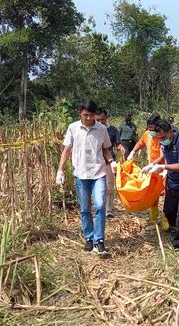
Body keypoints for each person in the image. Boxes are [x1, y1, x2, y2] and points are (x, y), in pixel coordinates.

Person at [56, 100, 116, 254]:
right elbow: (67, 150)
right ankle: (89, 238)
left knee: (100, 206)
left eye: (91, 115)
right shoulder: (73, 128)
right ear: (80, 113)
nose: (89, 118)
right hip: (81, 174)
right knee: (84, 208)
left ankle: (99, 240)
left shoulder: (101, 129)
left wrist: (111, 161)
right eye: (85, 115)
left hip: (98, 173)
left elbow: (106, 149)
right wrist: (60, 170)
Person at [150, 120, 179, 251]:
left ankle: (178, 244)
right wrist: (153, 164)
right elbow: (164, 156)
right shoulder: (164, 142)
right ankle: (174, 230)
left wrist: (163, 167)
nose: (161, 140)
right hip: (172, 183)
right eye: (158, 138)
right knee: (169, 212)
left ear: (170, 132)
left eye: (163, 137)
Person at [127, 113, 169, 231]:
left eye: (153, 129)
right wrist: (133, 152)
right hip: (153, 170)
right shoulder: (147, 134)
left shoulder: (162, 137)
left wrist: (152, 165)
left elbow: (162, 155)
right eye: (149, 128)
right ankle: (153, 219)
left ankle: (166, 219)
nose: (151, 131)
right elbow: (140, 143)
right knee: (153, 194)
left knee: (167, 195)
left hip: (165, 169)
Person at [95, 108, 126, 218]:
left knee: (109, 186)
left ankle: (109, 209)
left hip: (109, 162)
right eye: (97, 120)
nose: (100, 122)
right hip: (95, 163)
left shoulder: (112, 130)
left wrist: (121, 148)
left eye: (102, 120)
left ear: (106, 118)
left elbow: (117, 144)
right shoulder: (93, 129)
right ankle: (98, 207)